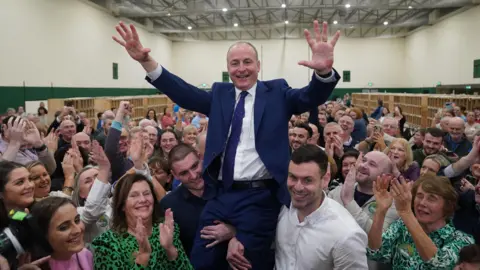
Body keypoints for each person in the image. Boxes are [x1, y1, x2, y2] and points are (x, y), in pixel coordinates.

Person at [113, 20, 341, 269]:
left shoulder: (277, 92)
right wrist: (145, 62)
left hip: (261, 196)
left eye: (247, 62)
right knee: (202, 259)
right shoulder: (220, 94)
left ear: (258, 66)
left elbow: (309, 97)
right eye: (235, 63)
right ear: (228, 68)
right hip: (222, 193)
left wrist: (322, 75)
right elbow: (184, 92)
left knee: (247, 262)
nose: (241, 69)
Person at [275, 145, 368, 269]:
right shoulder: (282, 208)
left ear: (325, 179)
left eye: (307, 180)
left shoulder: (346, 234)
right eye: (293, 177)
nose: (297, 187)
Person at [367, 174, 474, 269]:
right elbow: (376, 253)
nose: (422, 203)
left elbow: (438, 265)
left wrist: (406, 213)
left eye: (431, 198)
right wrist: (381, 210)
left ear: (448, 206)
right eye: (419, 196)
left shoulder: (462, 240)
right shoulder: (402, 225)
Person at [91, 172, 193, 269]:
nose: (143, 200)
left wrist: (170, 249)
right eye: (134, 195)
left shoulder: (166, 230)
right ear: (122, 205)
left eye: (146, 193)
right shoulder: (107, 244)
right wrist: (143, 258)